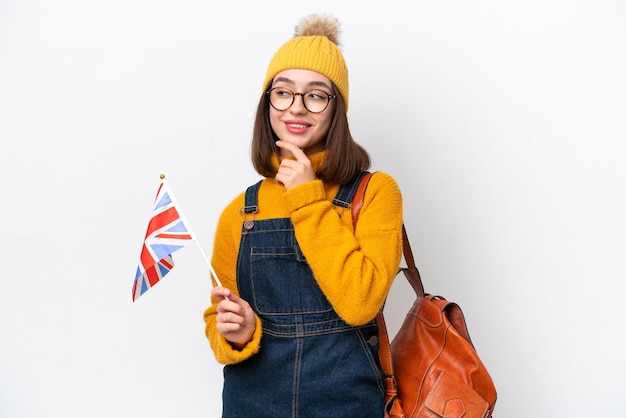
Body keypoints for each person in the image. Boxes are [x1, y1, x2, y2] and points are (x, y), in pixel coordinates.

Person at [203, 13, 403, 417]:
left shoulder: (376, 193)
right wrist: (237, 333)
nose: (296, 107)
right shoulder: (239, 213)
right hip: (252, 404)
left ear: (335, 109)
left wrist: (308, 197)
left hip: (347, 404)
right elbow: (218, 317)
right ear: (268, 103)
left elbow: (361, 304)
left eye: (315, 94)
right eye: (283, 92)